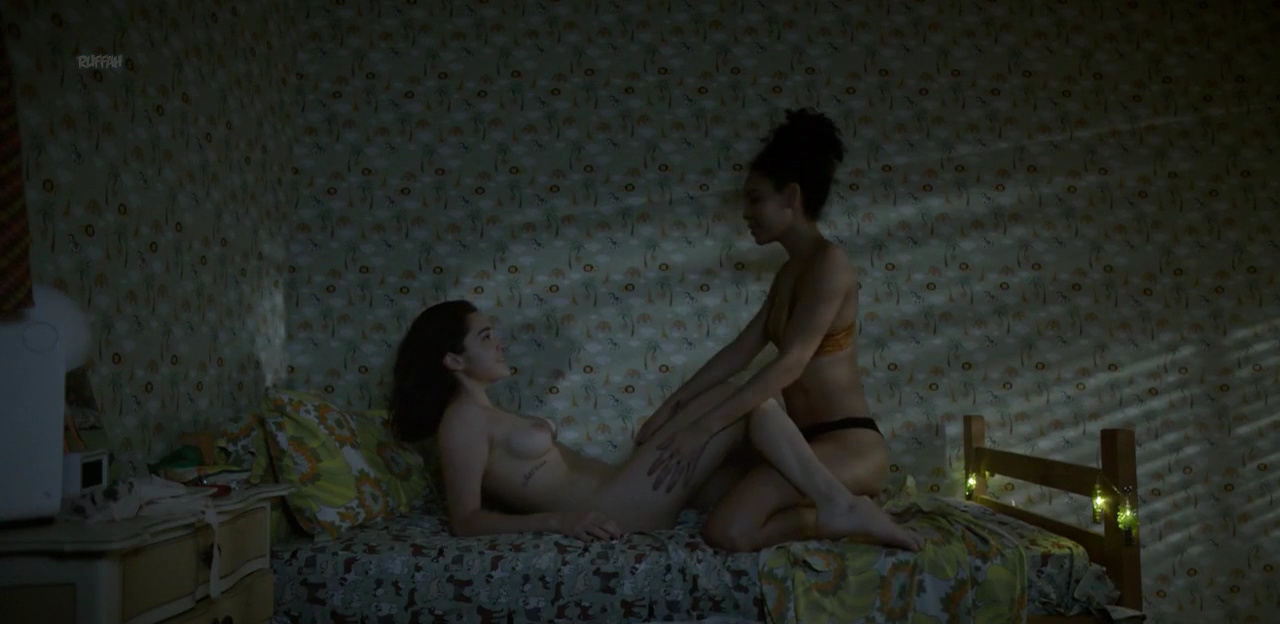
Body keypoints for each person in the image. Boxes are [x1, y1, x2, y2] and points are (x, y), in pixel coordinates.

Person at [388, 300, 917, 547]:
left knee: (733, 425)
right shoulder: (461, 423)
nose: (499, 343)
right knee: (743, 401)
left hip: (624, 488)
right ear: (452, 360)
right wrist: (559, 521)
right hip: (619, 509)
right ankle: (839, 505)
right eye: (484, 337)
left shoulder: (484, 413)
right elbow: (466, 521)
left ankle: (827, 509)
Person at [634, 108, 922, 552]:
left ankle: (845, 510)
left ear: (791, 197)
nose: (745, 213)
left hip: (848, 444)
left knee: (726, 531)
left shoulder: (830, 264)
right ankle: (834, 510)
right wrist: (669, 411)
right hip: (800, 447)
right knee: (700, 489)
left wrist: (701, 429)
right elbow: (738, 353)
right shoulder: (789, 273)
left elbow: (790, 365)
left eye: (755, 199)